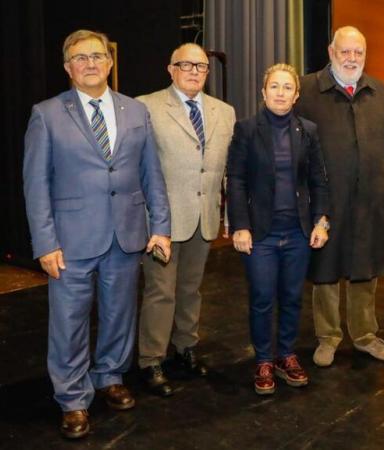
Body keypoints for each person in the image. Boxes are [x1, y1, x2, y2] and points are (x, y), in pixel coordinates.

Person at [23, 29, 171, 439]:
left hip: (126, 234)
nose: (90, 63)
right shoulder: (47, 114)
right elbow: (36, 185)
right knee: (68, 322)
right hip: (70, 240)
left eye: (97, 56)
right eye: (80, 57)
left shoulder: (135, 111)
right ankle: (72, 398)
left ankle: (109, 376)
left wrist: (160, 226)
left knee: (120, 313)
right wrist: (45, 242)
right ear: (68, 68)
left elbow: (151, 174)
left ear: (110, 63)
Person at [136, 43, 236, 397]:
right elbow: (140, 169)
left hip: (203, 218)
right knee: (160, 292)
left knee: (191, 289)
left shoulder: (225, 112)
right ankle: (151, 360)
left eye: (201, 66)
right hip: (162, 222)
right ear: (170, 68)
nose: (194, 71)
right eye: (186, 64)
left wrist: (228, 215)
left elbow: (224, 170)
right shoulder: (145, 107)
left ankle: (185, 348)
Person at [295, 26, 384, 367]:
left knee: (365, 265)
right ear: (331, 51)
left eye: (358, 52)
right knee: (325, 267)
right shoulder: (307, 90)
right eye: (345, 51)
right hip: (325, 199)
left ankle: (365, 333)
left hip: (368, 196)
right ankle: (328, 335)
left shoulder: (377, 91)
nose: (352, 58)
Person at [228, 63, 330, 394]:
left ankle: (286, 355)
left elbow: (318, 180)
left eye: (288, 87)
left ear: (297, 95)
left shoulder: (310, 131)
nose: (281, 93)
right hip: (261, 234)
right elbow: (237, 180)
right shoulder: (246, 129)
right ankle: (263, 360)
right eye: (275, 86)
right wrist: (240, 225)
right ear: (263, 92)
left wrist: (321, 220)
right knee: (261, 298)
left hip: (299, 232)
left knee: (291, 298)